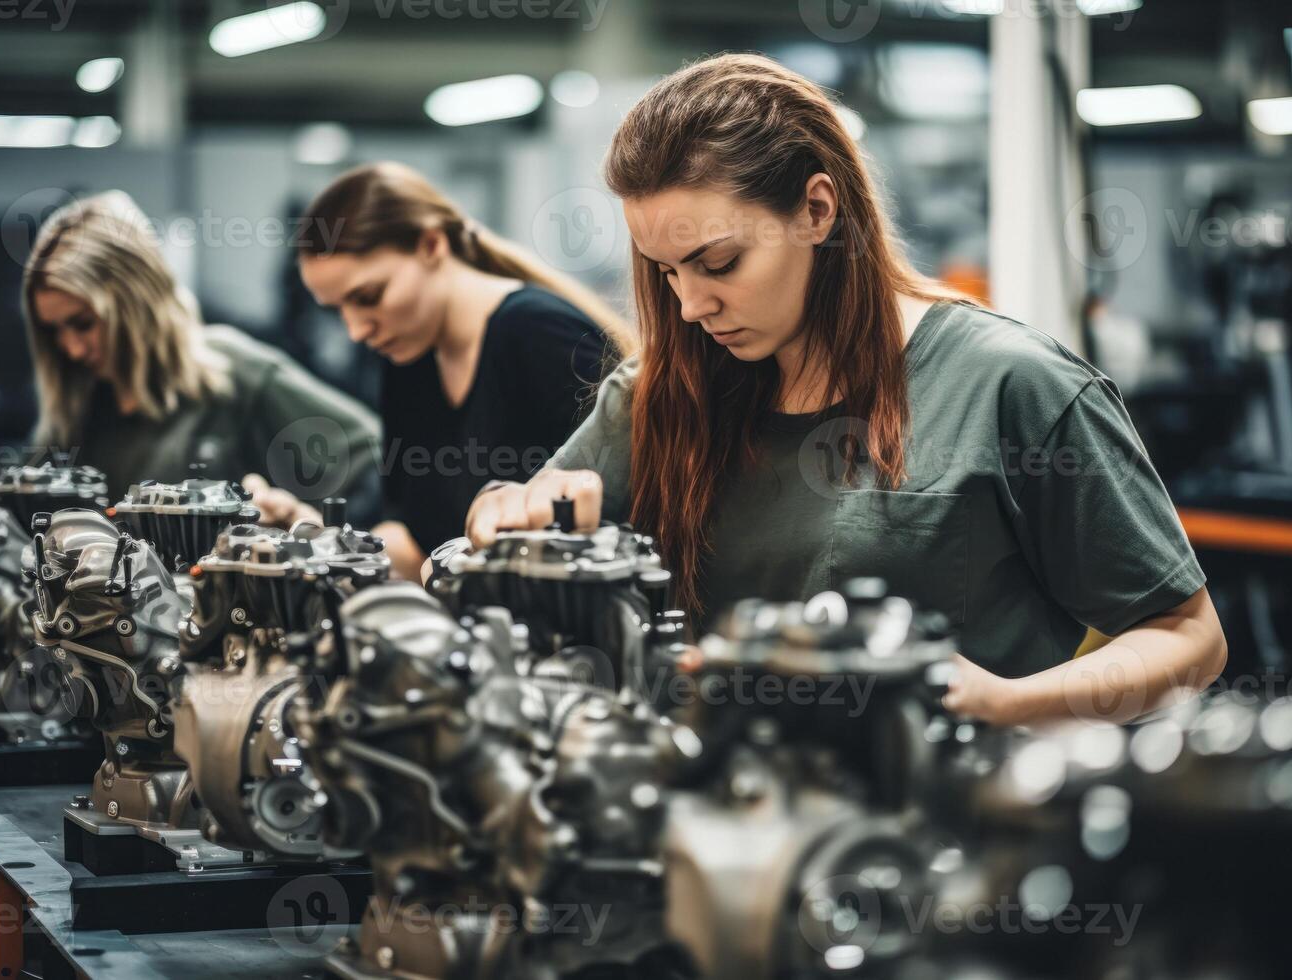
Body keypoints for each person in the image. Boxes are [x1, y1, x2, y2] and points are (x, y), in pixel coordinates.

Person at [461, 54, 1227, 727]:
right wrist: (509, 513)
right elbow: (521, 533)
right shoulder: (661, 393)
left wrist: (1002, 702)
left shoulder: (1008, 386)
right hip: (714, 844)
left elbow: (1189, 639)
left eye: (719, 264)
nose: (690, 307)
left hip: (941, 857)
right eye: (667, 272)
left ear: (818, 210)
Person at [248, 162, 635, 580]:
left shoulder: (538, 334)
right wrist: (318, 541)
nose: (357, 330)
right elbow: (417, 547)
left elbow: (621, 517)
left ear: (431, 244)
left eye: (369, 296)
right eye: (339, 309)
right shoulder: (409, 359)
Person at [24, 191, 382, 517]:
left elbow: (372, 459)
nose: (71, 348)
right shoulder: (76, 412)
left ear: (134, 303)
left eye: (84, 323)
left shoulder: (233, 373)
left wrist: (311, 531)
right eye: (54, 331)